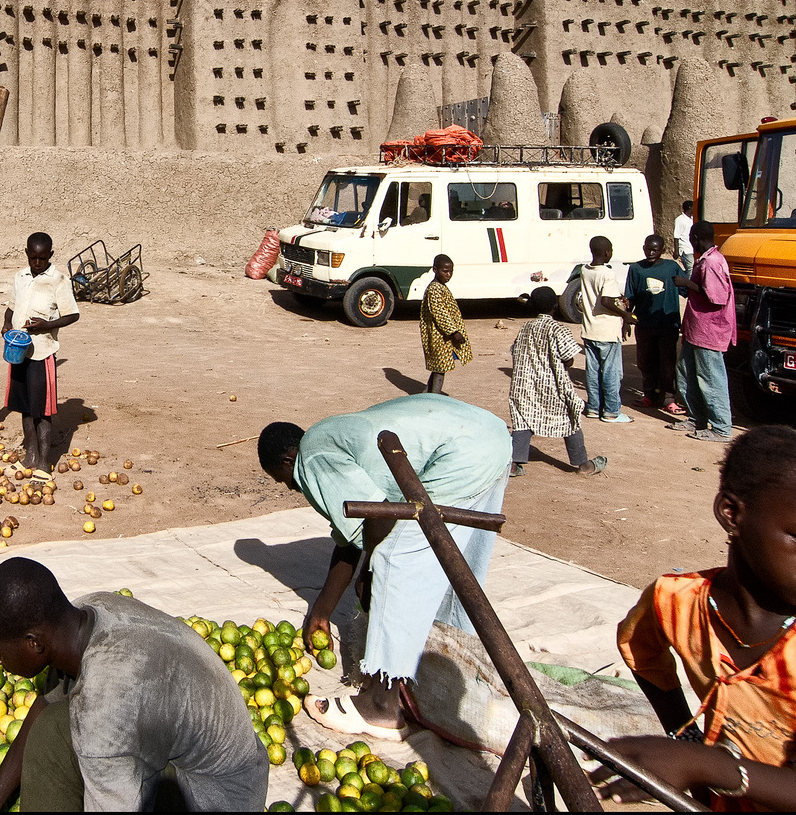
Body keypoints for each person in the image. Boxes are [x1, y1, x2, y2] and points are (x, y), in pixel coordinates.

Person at [595, 426, 796, 811]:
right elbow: (641, 650)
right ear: (732, 514)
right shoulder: (676, 599)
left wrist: (706, 765)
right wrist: (686, 739)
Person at [257, 394, 511, 737]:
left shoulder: (312, 457)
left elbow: (377, 515)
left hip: (460, 452)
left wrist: (370, 571)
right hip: (490, 436)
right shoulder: (327, 435)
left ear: (288, 462)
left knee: (397, 560)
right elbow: (349, 535)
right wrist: (322, 610)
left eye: (282, 480)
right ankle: (448, 666)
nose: (289, 487)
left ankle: (380, 705)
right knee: (450, 556)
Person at [0, 557, 269, 812]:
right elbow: (46, 704)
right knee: (52, 727)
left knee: (73, 739)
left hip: (219, 799)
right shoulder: (89, 611)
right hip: (237, 765)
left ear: (33, 644)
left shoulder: (107, 704)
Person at [1, 232, 80, 475]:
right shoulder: (20, 277)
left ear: (50, 256)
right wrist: (6, 324)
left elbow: (72, 314)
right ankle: (30, 456)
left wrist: (45, 325)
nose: (37, 263)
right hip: (19, 352)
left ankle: (44, 462)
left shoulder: (58, 281)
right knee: (25, 406)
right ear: (26, 254)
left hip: (41, 354)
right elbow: (11, 307)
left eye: (42, 258)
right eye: (33, 258)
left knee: (43, 412)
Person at [508, 287, 605, 478]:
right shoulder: (558, 328)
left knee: (522, 418)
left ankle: (514, 464)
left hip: (523, 384)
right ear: (555, 307)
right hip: (550, 385)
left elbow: (515, 351)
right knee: (570, 418)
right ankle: (582, 464)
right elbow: (568, 357)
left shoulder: (525, 327)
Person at [672, 221, 736, 441]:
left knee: (710, 378)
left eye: (691, 236)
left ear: (696, 238)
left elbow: (717, 298)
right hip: (696, 329)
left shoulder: (713, 263)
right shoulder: (704, 261)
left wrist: (687, 284)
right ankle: (696, 418)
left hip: (709, 331)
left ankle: (721, 428)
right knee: (686, 372)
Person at [626, 234, 686, 413]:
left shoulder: (672, 267)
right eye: (648, 249)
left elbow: (686, 289)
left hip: (667, 324)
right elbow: (630, 296)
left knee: (667, 363)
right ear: (643, 248)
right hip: (644, 324)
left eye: (655, 249)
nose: (651, 252)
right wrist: (626, 318)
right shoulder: (636, 269)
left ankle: (668, 398)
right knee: (646, 362)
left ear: (662, 250)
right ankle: (649, 395)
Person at [577, 236, 634, 423]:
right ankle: (611, 411)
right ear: (607, 252)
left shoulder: (584, 270)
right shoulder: (608, 274)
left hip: (589, 329)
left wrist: (619, 298)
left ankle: (594, 407)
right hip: (607, 331)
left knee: (593, 372)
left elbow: (603, 296)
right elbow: (606, 301)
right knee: (611, 372)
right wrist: (625, 315)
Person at [419, 254, 471, 394]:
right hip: (439, 336)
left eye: (451, 272)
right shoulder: (435, 289)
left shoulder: (440, 287)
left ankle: (428, 393)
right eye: (445, 271)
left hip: (442, 336)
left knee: (439, 367)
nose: (448, 275)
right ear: (435, 269)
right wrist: (454, 332)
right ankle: (435, 397)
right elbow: (440, 313)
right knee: (440, 368)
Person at [674, 200, 696, 273]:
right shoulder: (680, 219)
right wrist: (676, 251)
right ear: (690, 207)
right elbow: (676, 236)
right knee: (690, 269)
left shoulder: (693, 219)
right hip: (685, 249)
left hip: (692, 248)